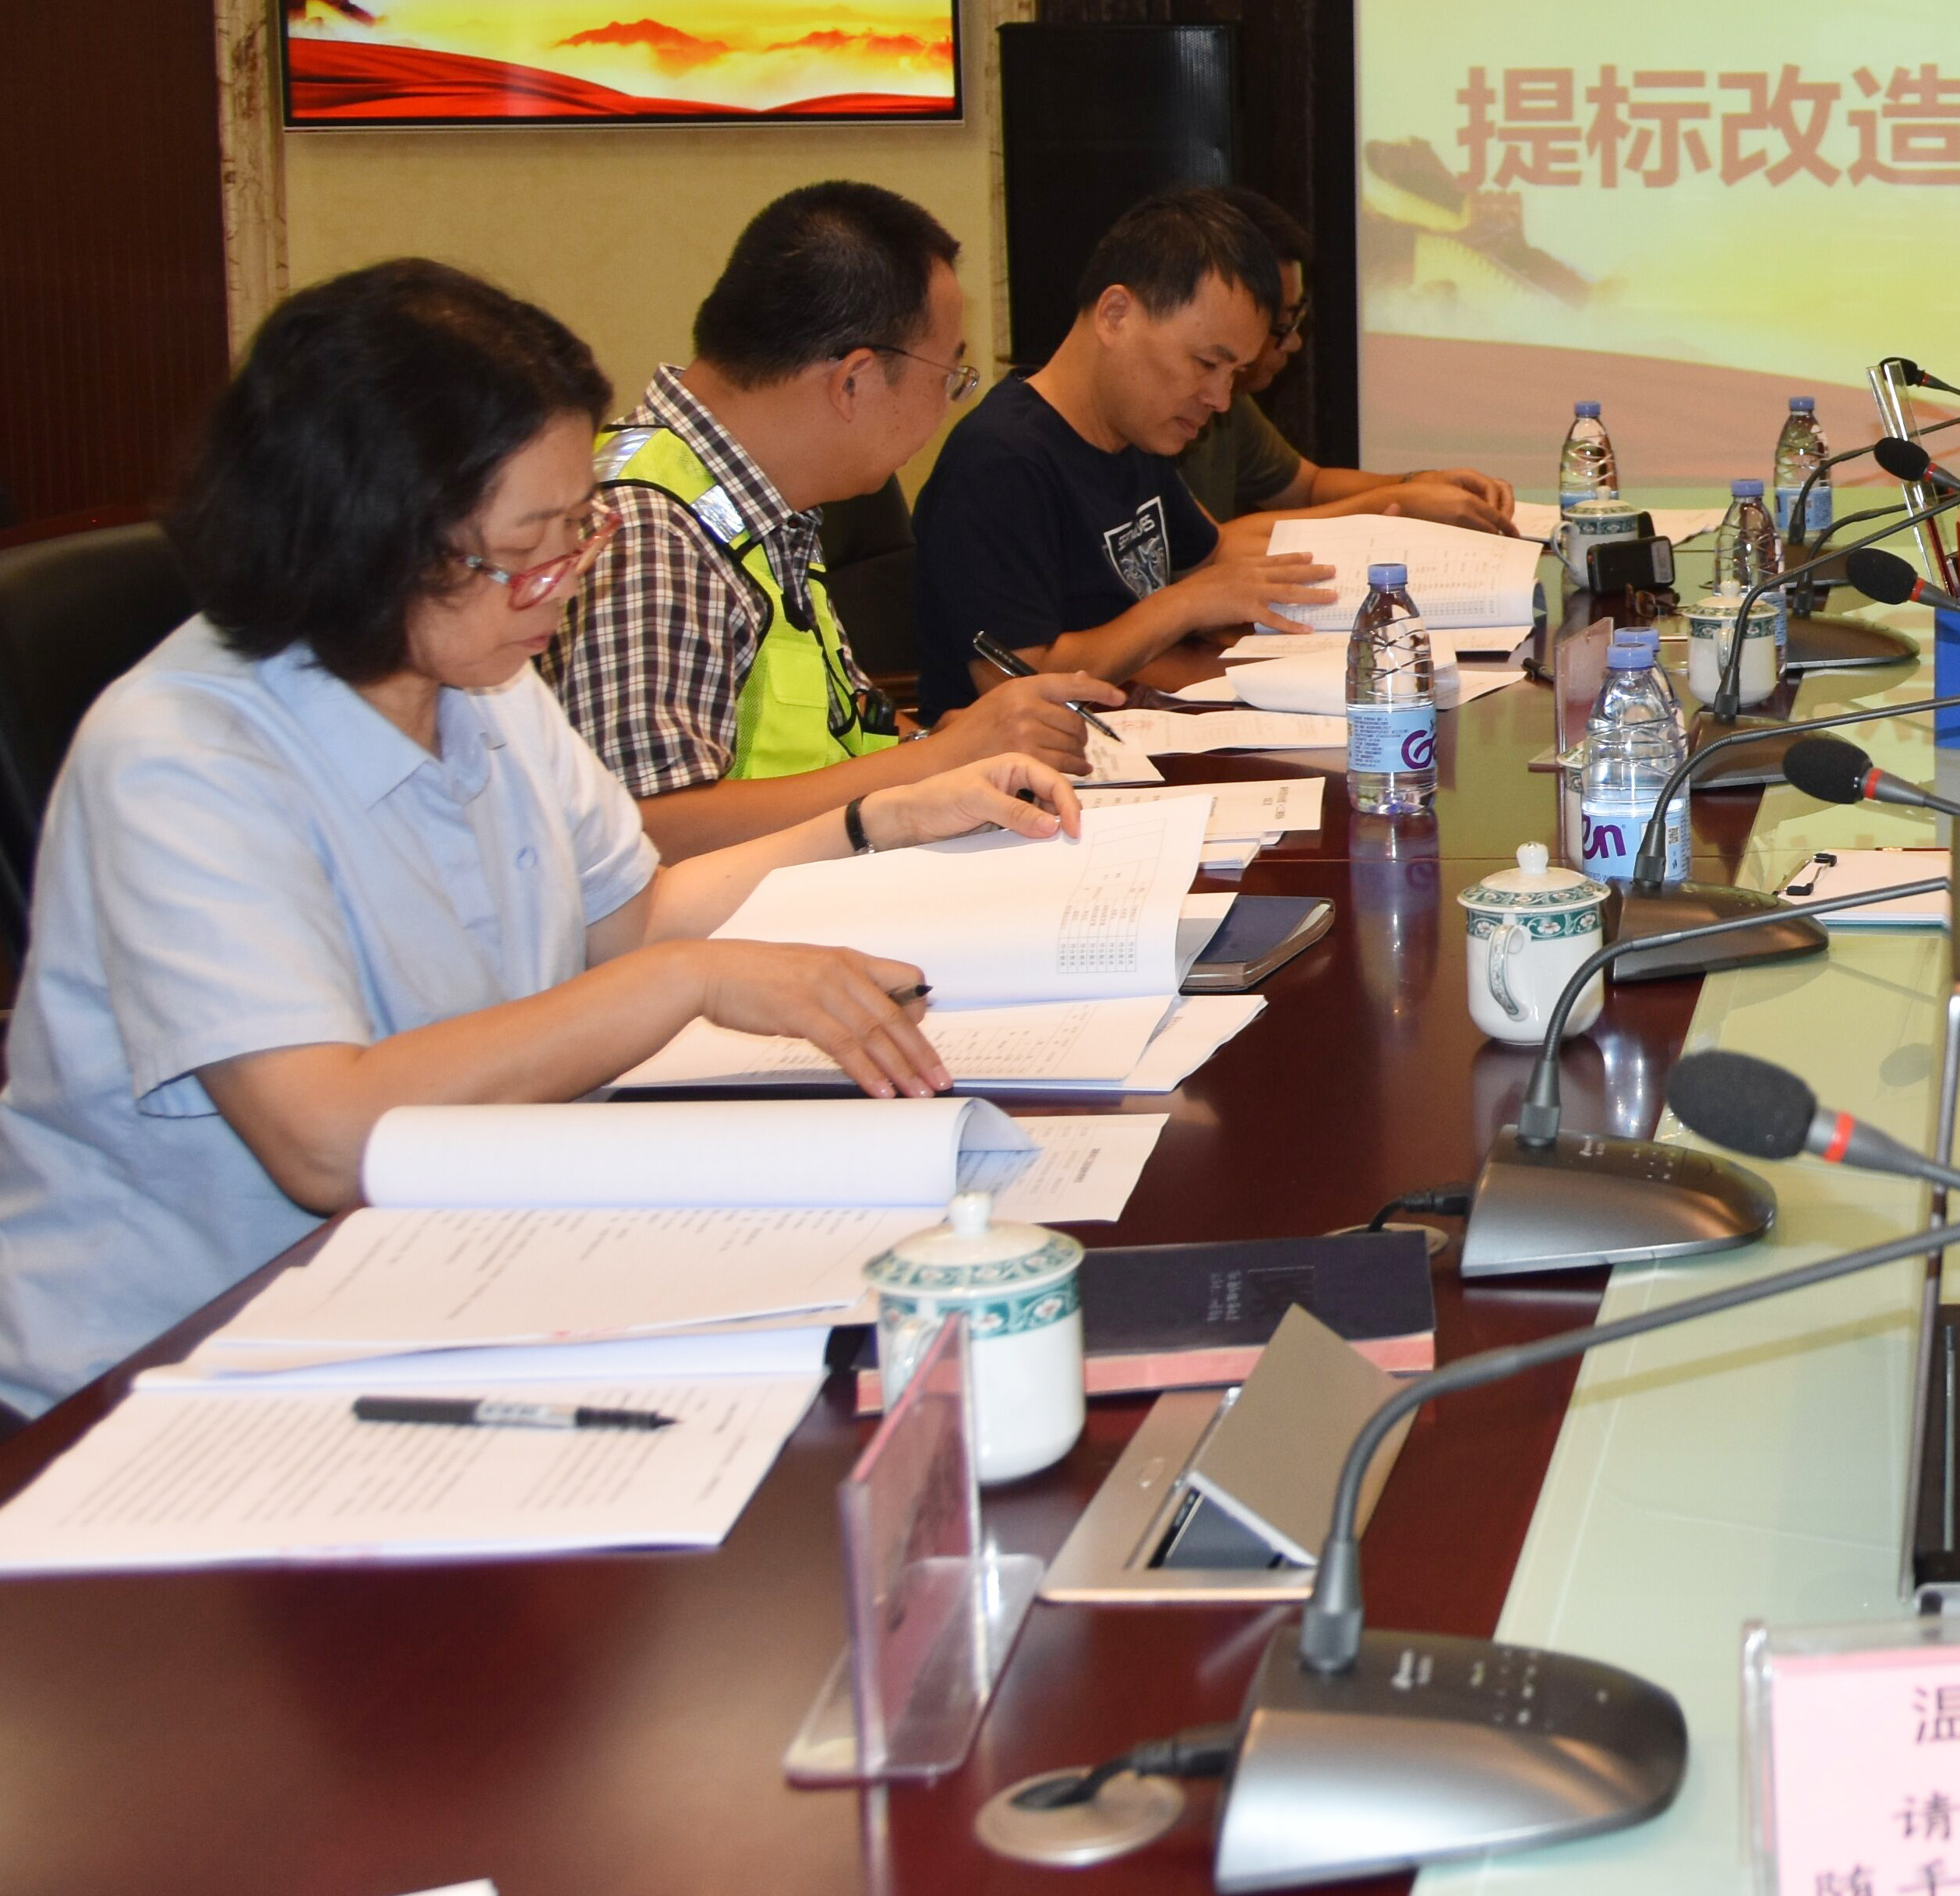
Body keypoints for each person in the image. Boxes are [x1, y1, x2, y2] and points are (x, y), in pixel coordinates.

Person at [0, 260, 1075, 1419]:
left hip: (455, 1268)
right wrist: (691, 979)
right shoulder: (182, 755)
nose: (564, 586)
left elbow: (628, 917)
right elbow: (325, 1137)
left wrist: (872, 821)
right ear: (375, 538)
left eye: (580, 526)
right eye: (529, 547)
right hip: (184, 1369)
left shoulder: (479, 673)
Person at [549, 180, 1119, 857]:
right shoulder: (643, 530)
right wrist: (937, 760)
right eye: (949, 379)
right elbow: (647, 830)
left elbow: (834, 734)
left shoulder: (766, 496)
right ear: (854, 380)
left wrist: (942, 748)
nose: (948, 408)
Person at [907, 189, 1333, 715]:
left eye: (1234, 373)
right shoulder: (1000, 462)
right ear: (1115, 315)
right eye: (1206, 364)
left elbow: (1212, 559)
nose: (1221, 399)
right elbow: (1014, 678)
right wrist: (1184, 605)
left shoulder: (1134, 433)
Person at [1172, 189, 1518, 532]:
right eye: (1282, 324)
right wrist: (1398, 502)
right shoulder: (1164, 412)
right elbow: (1212, 547)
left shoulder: (1229, 401)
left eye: (1297, 319)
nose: (1294, 342)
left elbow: (1307, 486)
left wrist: (1418, 483)